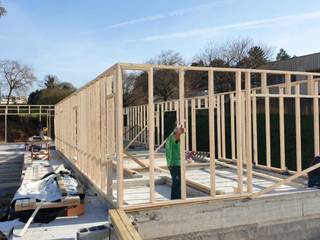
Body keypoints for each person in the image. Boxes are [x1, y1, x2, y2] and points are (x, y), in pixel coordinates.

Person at [165, 127, 184, 199]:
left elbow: (177, 151)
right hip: (174, 164)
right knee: (176, 182)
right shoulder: (172, 139)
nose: (180, 135)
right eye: (179, 133)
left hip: (177, 163)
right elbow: (169, 153)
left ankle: (178, 197)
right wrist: (170, 164)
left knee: (178, 182)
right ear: (176, 133)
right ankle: (175, 198)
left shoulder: (175, 139)